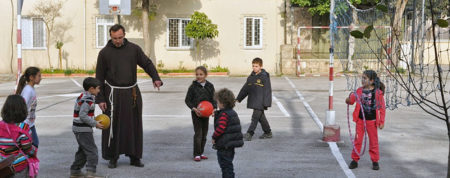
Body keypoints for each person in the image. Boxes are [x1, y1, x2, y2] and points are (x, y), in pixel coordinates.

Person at [96, 24, 163, 168]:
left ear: (124, 35)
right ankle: (113, 157)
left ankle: (135, 157)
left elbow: (147, 63)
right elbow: (99, 78)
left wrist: (155, 77)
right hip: (112, 94)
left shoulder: (134, 49)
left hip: (132, 93)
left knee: (134, 125)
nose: (118, 41)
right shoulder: (104, 53)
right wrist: (100, 98)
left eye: (120, 37)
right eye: (114, 38)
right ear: (110, 36)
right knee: (112, 125)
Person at [346, 70, 386, 170]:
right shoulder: (359, 91)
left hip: (372, 122)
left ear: (372, 81)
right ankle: (355, 160)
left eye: (365, 78)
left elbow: (382, 108)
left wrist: (381, 122)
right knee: (358, 140)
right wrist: (348, 100)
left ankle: (375, 161)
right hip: (360, 121)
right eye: (362, 78)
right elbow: (352, 100)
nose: (362, 80)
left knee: (373, 142)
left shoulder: (377, 93)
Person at [70, 77, 104, 178]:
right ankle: (91, 173)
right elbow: (83, 115)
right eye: (98, 88)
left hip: (79, 129)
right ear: (91, 89)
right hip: (83, 130)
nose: (99, 90)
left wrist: (94, 122)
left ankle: (75, 171)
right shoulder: (88, 100)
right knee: (92, 151)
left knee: (83, 151)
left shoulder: (84, 96)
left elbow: (85, 115)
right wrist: (95, 123)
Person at [0, 95, 38, 177]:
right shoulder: (23, 128)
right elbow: (28, 149)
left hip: (2, 166)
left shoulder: (0, 125)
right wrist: (34, 150)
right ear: (22, 110)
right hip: (17, 167)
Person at [185, 66, 217, 162]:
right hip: (196, 113)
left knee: (204, 134)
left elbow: (214, 99)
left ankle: (201, 152)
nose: (198, 76)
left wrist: (214, 109)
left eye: (201, 74)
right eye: (197, 74)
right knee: (198, 133)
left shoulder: (210, 86)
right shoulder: (193, 87)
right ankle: (196, 154)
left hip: (206, 114)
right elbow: (187, 100)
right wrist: (194, 109)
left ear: (205, 75)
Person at [236, 57, 273, 141]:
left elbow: (268, 90)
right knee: (261, 118)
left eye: (256, 66)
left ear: (261, 66)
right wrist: (238, 98)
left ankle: (249, 133)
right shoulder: (251, 77)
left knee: (255, 118)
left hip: (261, 101)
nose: (254, 68)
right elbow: (245, 88)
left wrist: (266, 103)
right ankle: (268, 132)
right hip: (253, 100)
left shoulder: (264, 76)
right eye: (253, 66)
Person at [212, 88, 244, 178]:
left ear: (222, 103)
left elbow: (221, 128)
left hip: (224, 146)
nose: (217, 105)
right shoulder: (231, 112)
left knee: (226, 167)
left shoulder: (224, 115)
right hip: (230, 146)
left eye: (218, 102)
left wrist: (214, 137)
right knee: (228, 165)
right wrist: (217, 113)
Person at [16, 67, 41, 147]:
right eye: (39, 76)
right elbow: (21, 106)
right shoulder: (28, 90)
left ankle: (28, 158)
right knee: (33, 144)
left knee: (34, 144)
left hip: (30, 123)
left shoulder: (31, 89)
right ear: (31, 77)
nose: (41, 78)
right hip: (25, 123)